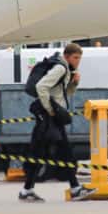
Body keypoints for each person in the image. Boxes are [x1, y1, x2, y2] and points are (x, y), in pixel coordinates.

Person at [19, 43, 96, 202]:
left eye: (79, 58)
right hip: (50, 117)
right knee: (61, 152)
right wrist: (50, 110)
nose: (77, 61)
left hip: (52, 118)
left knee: (42, 152)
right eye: (75, 58)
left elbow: (64, 93)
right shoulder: (60, 68)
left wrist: (74, 83)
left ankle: (27, 190)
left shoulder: (66, 70)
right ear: (67, 56)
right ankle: (74, 189)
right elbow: (42, 87)